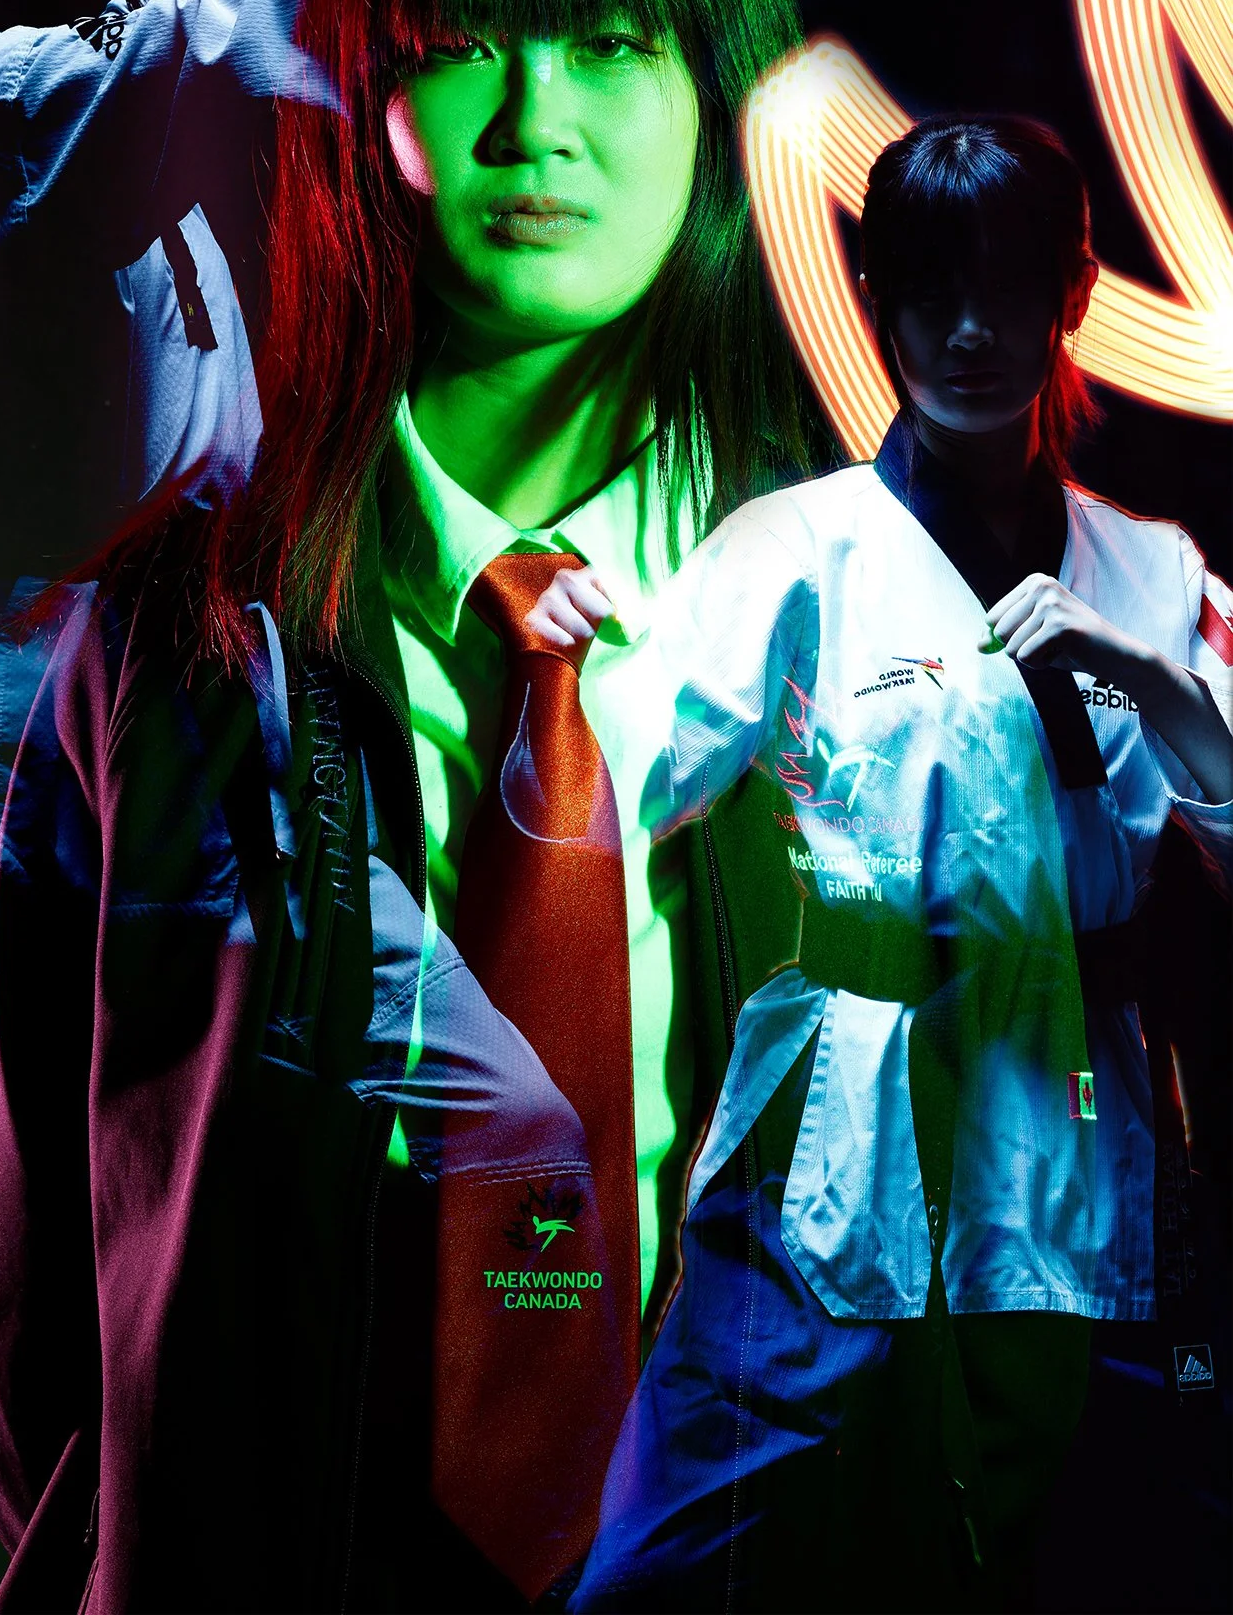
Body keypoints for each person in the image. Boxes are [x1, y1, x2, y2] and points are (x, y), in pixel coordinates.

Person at [0, 0, 818, 1607]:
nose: (534, 127)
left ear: (718, 90)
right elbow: (7, 1275)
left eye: (611, 46)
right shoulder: (161, 649)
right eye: (470, 42)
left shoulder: (862, 637)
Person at [526, 117, 1233, 1612]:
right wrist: (566, 646)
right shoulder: (793, 552)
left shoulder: (1153, 573)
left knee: (1116, 1546)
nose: (968, 332)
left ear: (1071, 288)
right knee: (687, 1545)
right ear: (874, 297)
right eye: (928, 290)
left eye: (1004, 286)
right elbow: (628, 771)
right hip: (847, 1115)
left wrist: (1141, 679)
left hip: (1086, 1110)